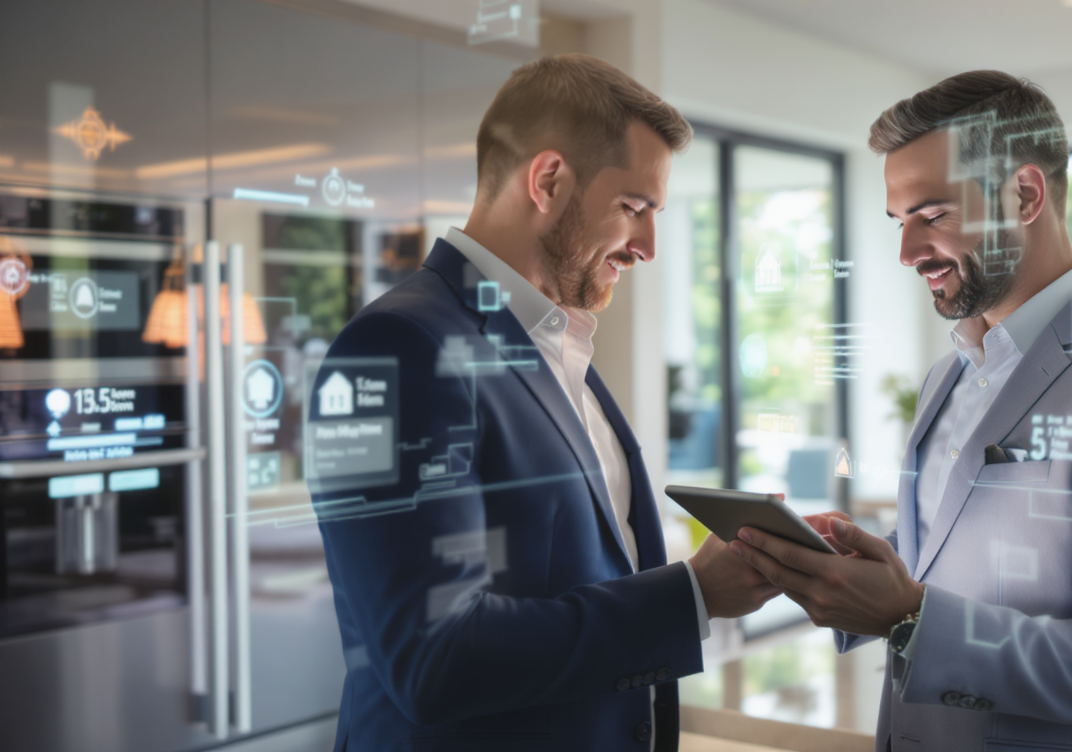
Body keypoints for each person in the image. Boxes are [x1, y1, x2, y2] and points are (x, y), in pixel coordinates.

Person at [730, 71, 1072, 751]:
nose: (908, 252)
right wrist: (850, 576)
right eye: (900, 220)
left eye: (933, 215)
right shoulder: (951, 375)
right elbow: (942, 582)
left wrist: (911, 616)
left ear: (1025, 194)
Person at [309, 54, 779, 752]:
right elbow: (434, 660)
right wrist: (692, 596)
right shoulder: (398, 347)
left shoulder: (556, 346)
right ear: (549, 180)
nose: (648, 246)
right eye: (635, 208)